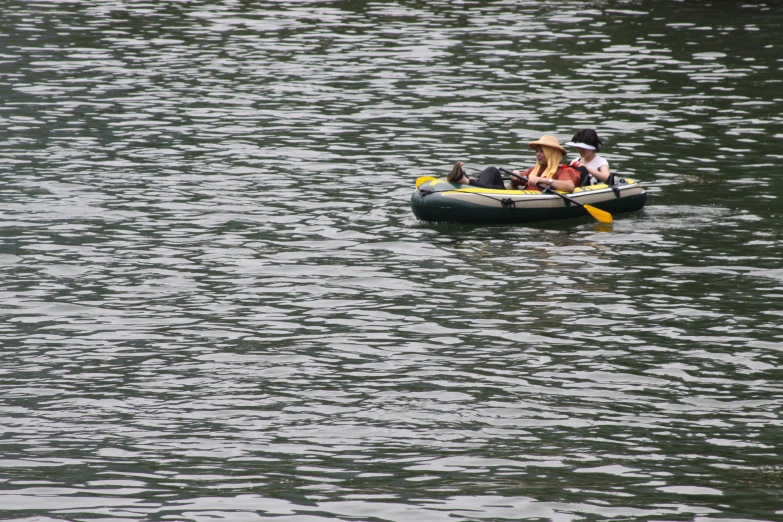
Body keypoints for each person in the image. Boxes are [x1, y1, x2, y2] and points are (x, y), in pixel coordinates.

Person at [446, 135, 581, 193]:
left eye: (541, 152)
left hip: (521, 202)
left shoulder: (561, 171)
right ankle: (468, 181)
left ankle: (465, 180)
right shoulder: (535, 170)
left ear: (551, 154)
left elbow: (569, 186)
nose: (537, 154)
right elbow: (519, 180)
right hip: (504, 196)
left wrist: (543, 180)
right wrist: (516, 176)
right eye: (537, 151)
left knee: (488, 188)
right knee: (492, 170)